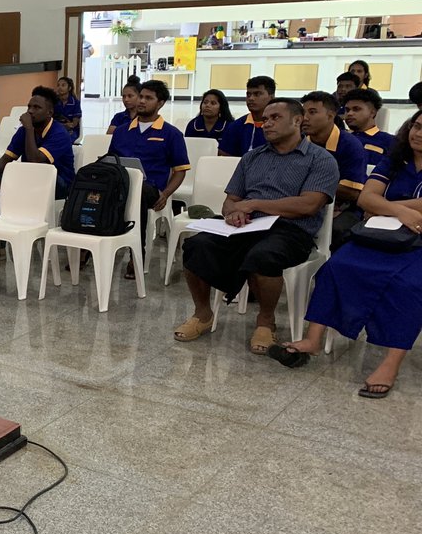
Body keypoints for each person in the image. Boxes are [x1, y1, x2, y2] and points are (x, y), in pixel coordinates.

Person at [269, 110, 422, 397]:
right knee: (336, 267)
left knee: (409, 286)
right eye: (417, 126)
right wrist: (400, 210)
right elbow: (365, 197)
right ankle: (313, 340)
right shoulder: (395, 159)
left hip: (418, 243)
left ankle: (391, 363)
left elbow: (375, 201)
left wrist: (384, 205)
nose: (419, 133)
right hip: (381, 233)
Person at [173, 98, 339, 355]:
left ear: (297, 120)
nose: (267, 124)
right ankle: (202, 313)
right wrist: (233, 213)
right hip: (247, 226)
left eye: (275, 118)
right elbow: (230, 201)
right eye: (265, 119)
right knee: (197, 244)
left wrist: (253, 204)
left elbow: (309, 205)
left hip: (291, 229)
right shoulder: (252, 157)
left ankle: (265, 321)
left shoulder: (320, 159)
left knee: (264, 255)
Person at [108, 79, 191, 276]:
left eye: (148, 98)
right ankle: (91, 245)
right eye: (141, 97)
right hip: (121, 184)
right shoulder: (121, 131)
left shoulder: (171, 134)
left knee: (138, 192)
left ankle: (137, 254)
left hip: (152, 189)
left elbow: (180, 171)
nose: (142, 101)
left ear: (160, 103)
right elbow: (111, 161)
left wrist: (166, 194)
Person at [300, 90, 368, 249]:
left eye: (312, 112)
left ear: (330, 116)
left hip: (345, 207)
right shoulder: (298, 141)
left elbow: (353, 192)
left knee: (338, 230)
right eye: (303, 112)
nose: (305, 118)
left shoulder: (350, 144)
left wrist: (310, 186)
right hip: (303, 203)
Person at [0, 85, 76, 200]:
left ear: (49, 112)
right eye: (29, 107)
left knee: (35, 175)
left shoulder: (59, 133)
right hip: (32, 177)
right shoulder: (23, 130)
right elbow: (7, 157)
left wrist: (29, 128)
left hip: (60, 182)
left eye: (37, 107)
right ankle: (2, 212)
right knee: (3, 178)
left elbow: (35, 160)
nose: (30, 111)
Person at [218, 75, 276, 157]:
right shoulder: (235, 126)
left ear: (271, 97)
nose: (251, 98)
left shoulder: (280, 126)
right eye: (248, 94)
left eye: (257, 94)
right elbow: (224, 157)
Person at [341, 88, 395, 159]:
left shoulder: (390, 141)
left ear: (372, 112)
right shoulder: (340, 138)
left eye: (356, 109)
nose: (349, 113)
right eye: (347, 110)